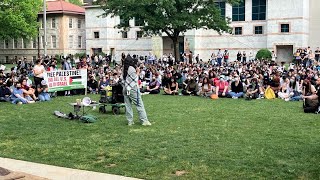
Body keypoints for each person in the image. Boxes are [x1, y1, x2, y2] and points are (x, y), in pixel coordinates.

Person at [122, 56, 151, 126]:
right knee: (139, 104)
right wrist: (138, 72)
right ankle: (144, 120)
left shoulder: (124, 68)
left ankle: (130, 121)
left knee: (128, 105)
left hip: (125, 88)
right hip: (132, 88)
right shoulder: (131, 68)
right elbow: (135, 78)